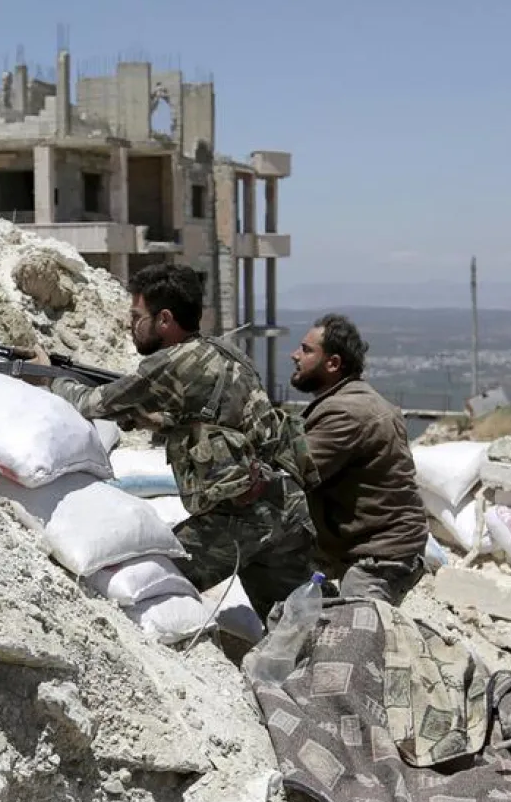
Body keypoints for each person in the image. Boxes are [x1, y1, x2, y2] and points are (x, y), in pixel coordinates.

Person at [19, 263, 318, 619]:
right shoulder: (225, 354)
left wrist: (49, 377)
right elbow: (212, 421)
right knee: (299, 624)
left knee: (155, 582)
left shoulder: (170, 364)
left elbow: (90, 402)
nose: (131, 325)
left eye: (136, 316)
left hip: (241, 518)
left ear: (164, 319)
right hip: (287, 507)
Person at [289, 313, 429, 605]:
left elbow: (292, 470)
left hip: (381, 556)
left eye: (306, 349)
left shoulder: (346, 412)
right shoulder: (352, 399)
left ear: (333, 363)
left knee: (357, 634)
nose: (295, 355)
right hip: (362, 544)